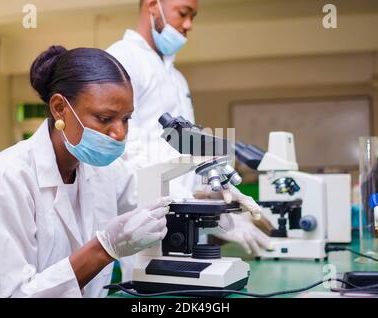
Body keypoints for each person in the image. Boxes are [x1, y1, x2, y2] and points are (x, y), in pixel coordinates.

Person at [0, 46, 170, 298]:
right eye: (104, 118)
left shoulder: (104, 171)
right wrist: (102, 249)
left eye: (126, 119)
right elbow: (9, 294)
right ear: (59, 108)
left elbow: (151, 197)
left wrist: (205, 198)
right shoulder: (6, 180)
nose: (119, 133)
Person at [107, 0, 273, 259]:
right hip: (151, 219)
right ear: (153, 5)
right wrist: (189, 202)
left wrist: (214, 197)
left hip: (188, 219)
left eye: (193, 17)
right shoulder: (122, 59)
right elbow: (126, 154)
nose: (188, 25)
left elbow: (189, 153)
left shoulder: (176, 77)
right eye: (184, 13)